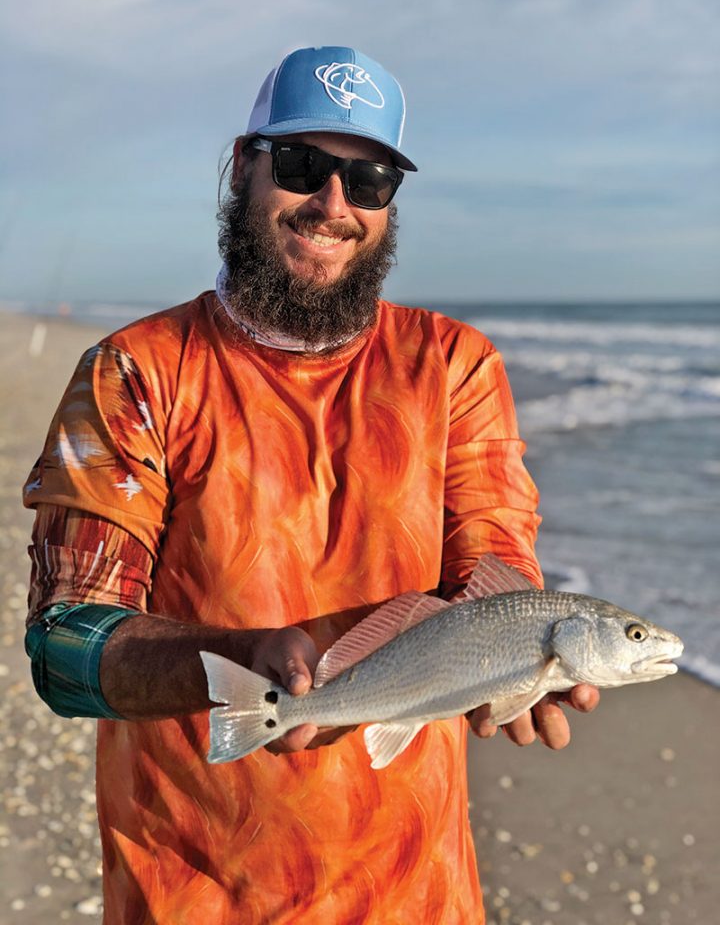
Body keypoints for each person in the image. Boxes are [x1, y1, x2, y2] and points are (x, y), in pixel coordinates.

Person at [23, 45, 599, 924]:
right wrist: (239, 663)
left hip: (416, 888)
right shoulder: (135, 371)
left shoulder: (455, 367)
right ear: (243, 167)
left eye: (368, 181)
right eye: (302, 166)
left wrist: (524, 664)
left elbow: (495, 563)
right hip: (189, 885)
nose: (334, 205)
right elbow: (66, 644)